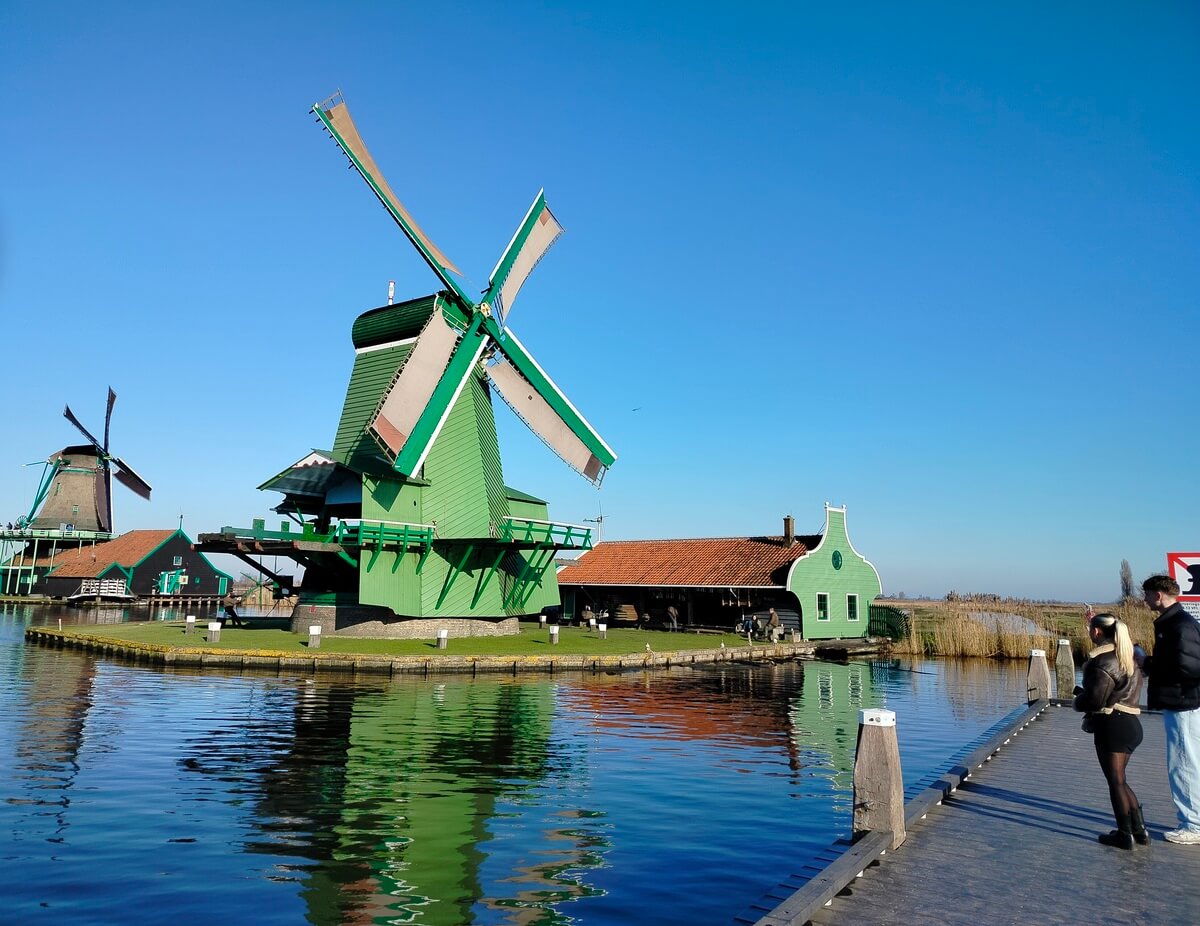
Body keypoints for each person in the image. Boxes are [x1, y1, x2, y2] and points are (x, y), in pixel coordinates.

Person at [1074, 612, 1146, 848]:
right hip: (1131, 724)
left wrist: (1078, 700)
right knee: (1121, 781)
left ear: (1097, 632)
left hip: (1112, 725)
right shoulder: (1129, 656)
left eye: (1089, 630)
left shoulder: (1102, 662)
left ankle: (1124, 836)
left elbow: (1095, 701)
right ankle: (1139, 830)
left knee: (1115, 781)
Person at [1139, 574, 1200, 844]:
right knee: (1186, 760)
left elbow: (1188, 668)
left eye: (1147, 594)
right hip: (1182, 702)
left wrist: (1146, 663)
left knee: (1183, 762)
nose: (1144, 599)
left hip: (1182, 703)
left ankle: (1193, 825)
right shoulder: (1175, 622)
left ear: (1159, 595)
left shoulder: (1179, 625)